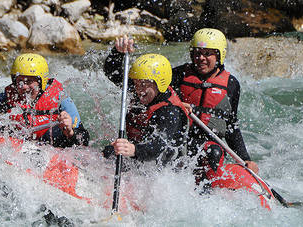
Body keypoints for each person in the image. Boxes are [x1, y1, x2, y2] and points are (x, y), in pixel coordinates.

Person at [170, 28, 259, 185]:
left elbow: (230, 125)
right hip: (179, 139)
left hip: (209, 143)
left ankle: (208, 192)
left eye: (207, 54)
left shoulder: (231, 84)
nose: (201, 58)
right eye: (197, 53)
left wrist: (245, 159)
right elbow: (152, 96)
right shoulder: (179, 75)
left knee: (214, 152)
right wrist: (176, 103)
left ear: (219, 55)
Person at [0, 53, 89, 148]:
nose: (23, 86)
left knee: (58, 131)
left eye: (29, 81)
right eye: (20, 81)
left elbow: (84, 139)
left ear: (41, 82)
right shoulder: (6, 98)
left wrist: (70, 132)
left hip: (50, 146)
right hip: (20, 146)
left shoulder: (60, 98)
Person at [102, 51, 191, 165]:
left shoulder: (170, 111)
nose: (139, 90)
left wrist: (133, 150)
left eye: (143, 84)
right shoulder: (141, 91)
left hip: (164, 168)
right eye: (136, 83)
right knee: (109, 152)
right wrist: (118, 51)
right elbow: (112, 72)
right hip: (140, 157)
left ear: (160, 83)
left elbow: (157, 147)